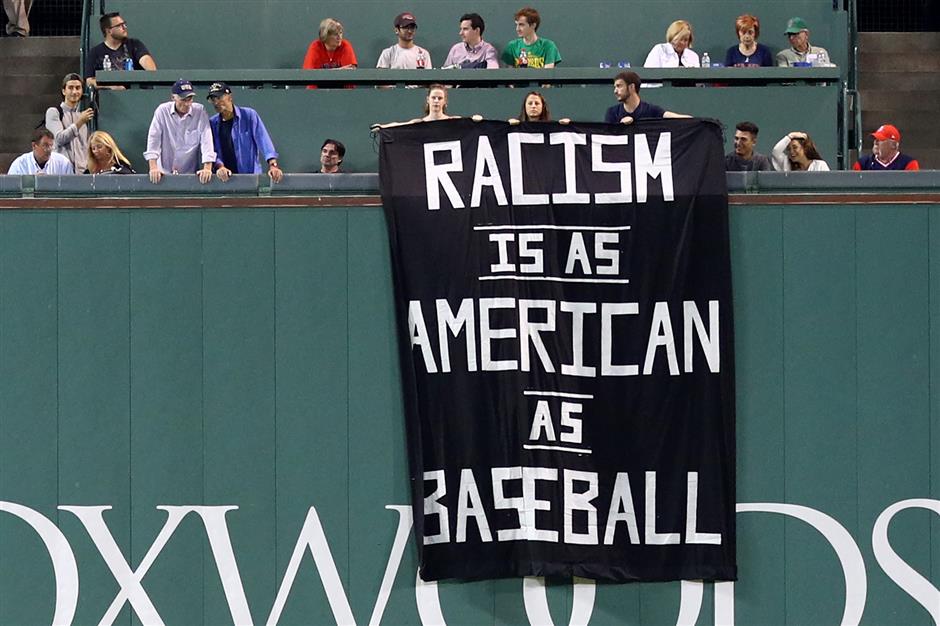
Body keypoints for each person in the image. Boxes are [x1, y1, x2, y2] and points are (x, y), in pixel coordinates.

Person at [206, 82, 283, 183]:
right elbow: (213, 150)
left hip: (251, 180)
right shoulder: (213, 123)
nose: (216, 102)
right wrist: (220, 167)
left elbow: (264, 141)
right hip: (224, 181)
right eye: (213, 99)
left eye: (219, 98)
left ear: (230, 97)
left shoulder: (249, 115)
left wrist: (273, 165)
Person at [144, 79, 215, 184]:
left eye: (190, 99)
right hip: (163, 175)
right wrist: (153, 168)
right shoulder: (162, 111)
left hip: (189, 175)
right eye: (183, 99)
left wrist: (207, 168)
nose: (187, 103)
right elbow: (153, 140)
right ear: (173, 98)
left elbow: (207, 140)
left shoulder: (199, 111)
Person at [84, 12, 157, 89]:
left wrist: (150, 70)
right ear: (109, 31)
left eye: (124, 24)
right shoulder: (95, 52)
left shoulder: (134, 44)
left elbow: (149, 65)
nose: (124, 27)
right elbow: (90, 81)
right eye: (119, 25)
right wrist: (112, 87)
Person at [45, 73, 94, 174]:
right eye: (70, 88)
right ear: (64, 91)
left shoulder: (84, 114)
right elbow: (59, 139)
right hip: (61, 172)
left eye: (78, 88)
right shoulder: (54, 112)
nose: (74, 91)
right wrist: (80, 122)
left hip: (82, 173)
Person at [604, 71, 690, 124]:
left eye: (619, 86)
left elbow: (671, 116)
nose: (615, 91)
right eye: (615, 87)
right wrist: (620, 126)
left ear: (631, 87)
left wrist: (698, 122)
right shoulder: (612, 113)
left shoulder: (651, 110)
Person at [302, 17, 357, 90]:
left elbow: (350, 74)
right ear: (325, 36)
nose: (339, 37)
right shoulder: (315, 46)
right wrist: (339, 71)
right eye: (335, 34)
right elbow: (309, 75)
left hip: (342, 92)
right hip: (319, 92)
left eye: (340, 33)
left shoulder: (345, 46)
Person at [853, 124, 920, 171]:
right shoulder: (862, 164)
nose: (875, 142)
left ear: (893, 145)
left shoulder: (909, 164)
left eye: (880, 139)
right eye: (875, 139)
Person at [7, 128, 74, 174]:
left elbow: (71, 189)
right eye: (45, 145)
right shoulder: (19, 164)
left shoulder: (63, 163)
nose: (49, 150)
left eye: (51, 145)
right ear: (34, 146)